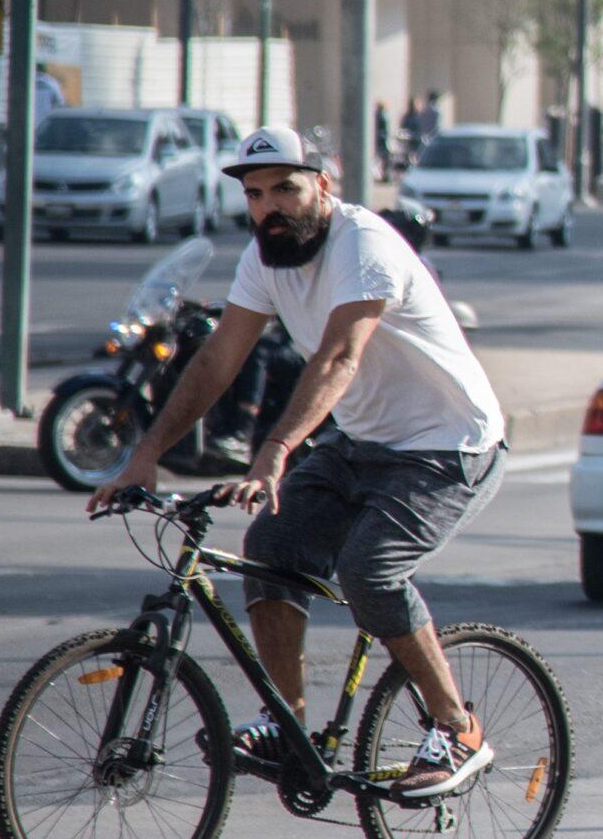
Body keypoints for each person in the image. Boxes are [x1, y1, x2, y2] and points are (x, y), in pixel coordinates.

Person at [86, 127, 509, 798]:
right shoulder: (266, 258)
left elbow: (340, 357)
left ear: (324, 185)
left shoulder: (362, 245)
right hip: (362, 445)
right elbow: (219, 359)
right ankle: (290, 725)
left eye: (285, 187)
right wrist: (145, 455)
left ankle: (458, 728)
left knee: (370, 569)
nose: (268, 206)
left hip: (448, 445)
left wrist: (276, 451)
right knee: (272, 546)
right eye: (255, 194)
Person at [373, 102, 393, 183]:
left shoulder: (377, 116)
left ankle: (383, 175)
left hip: (379, 140)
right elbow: (384, 130)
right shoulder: (383, 116)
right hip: (383, 140)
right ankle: (385, 175)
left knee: (382, 159)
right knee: (385, 159)